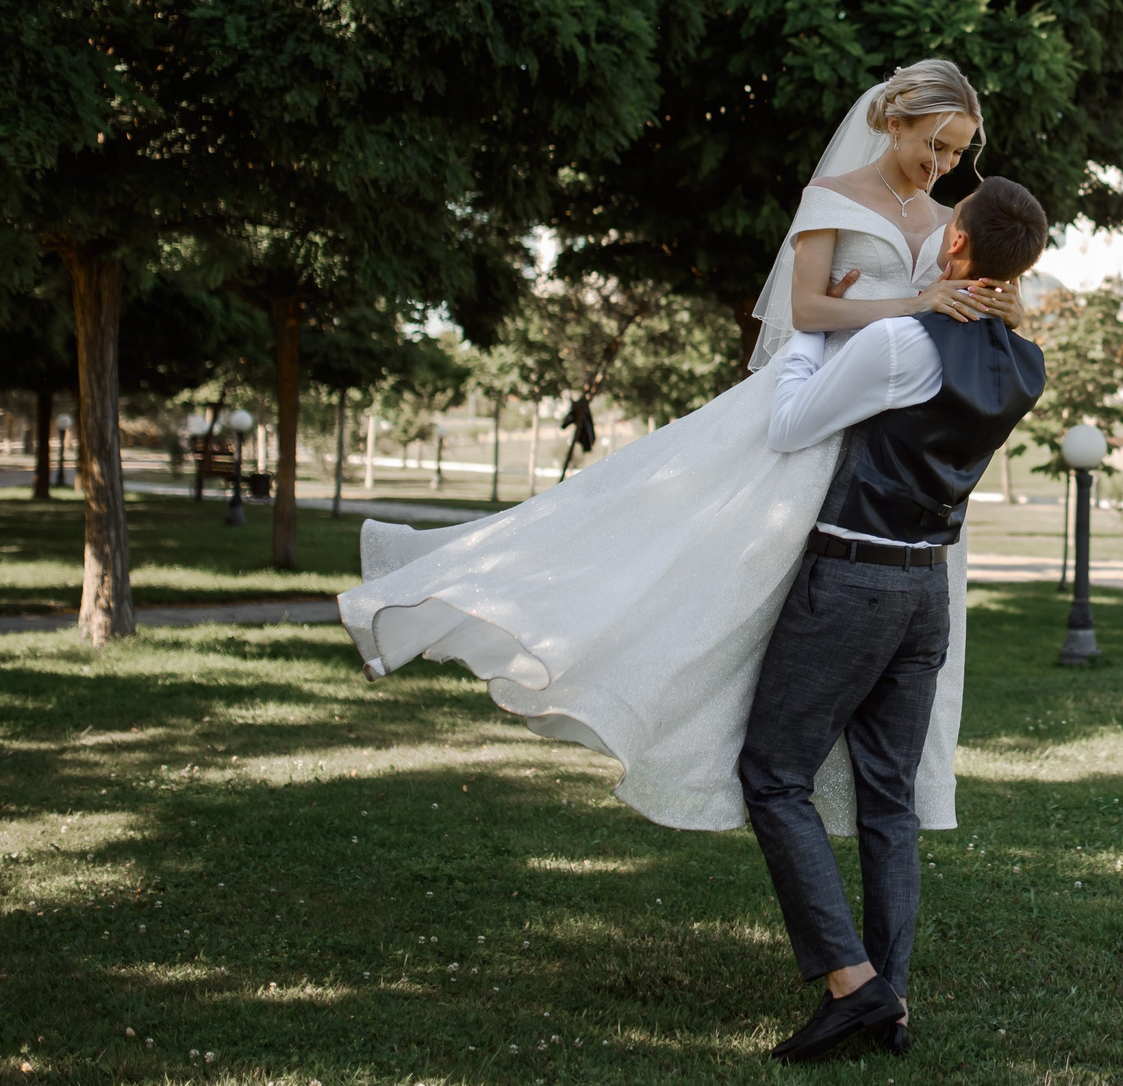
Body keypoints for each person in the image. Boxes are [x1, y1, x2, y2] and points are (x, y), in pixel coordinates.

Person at [335, 61, 1019, 837]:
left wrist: (1002, 304)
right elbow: (805, 308)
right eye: (936, 144)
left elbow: (966, 322)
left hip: (896, 447)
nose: (946, 165)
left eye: (959, 152)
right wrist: (913, 299)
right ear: (893, 122)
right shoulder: (831, 199)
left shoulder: (946, 221)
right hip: (815, 407)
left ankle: (863, 794)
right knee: (697, 563)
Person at [741, 177, 1049, 1062]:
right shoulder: (1027, 363)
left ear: (954, 245)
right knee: (889, 801)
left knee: (772, 774)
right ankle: (893, 1004)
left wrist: (813, 326)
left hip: (852, 579)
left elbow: (792, 423)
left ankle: (854, 984)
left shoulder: (899, 341)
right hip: (927, 595)